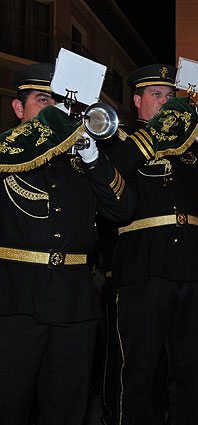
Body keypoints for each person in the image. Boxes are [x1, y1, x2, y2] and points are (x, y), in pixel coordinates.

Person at [0, 63, 135, 425]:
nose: (53, 110)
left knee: (67, 406)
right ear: (19, 109)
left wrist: (92, 155)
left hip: (74, 301)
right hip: (15, 297)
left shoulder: (81, 163)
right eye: (43, 100)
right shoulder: (4, 155)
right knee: (8, 402)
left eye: (60, 102)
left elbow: (122, 210)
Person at [107, 64, 198, 424]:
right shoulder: (119, 137)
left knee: (189, 368)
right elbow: (112, 173)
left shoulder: (191, 146)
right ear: (137, 101)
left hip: (193, 265)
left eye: (170, 97)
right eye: (157, 96)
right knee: (138, 366)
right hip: (143, 263)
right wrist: (156, 134)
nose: (166, 104)